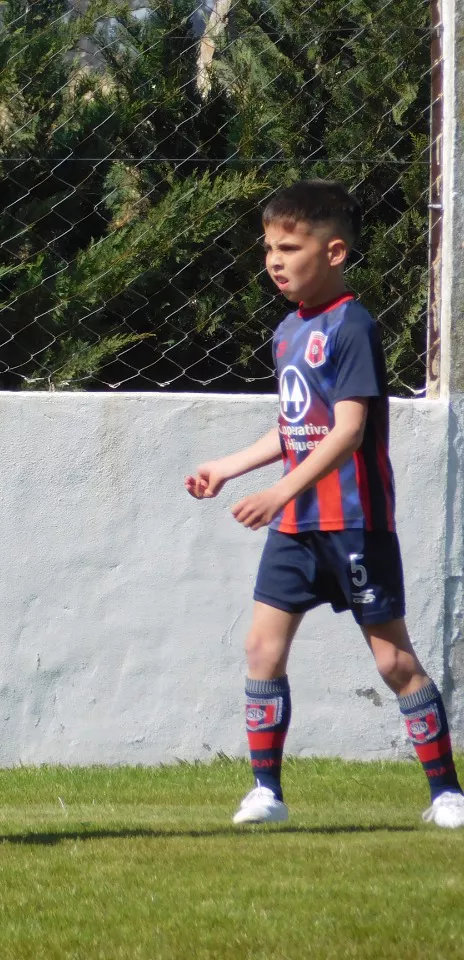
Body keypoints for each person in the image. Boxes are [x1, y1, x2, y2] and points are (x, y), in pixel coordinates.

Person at [184, 180, 464, 828]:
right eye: (268, 248)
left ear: (334, 252)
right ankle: (266, 791)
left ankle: (446, 792)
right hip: (295, 530)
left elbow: (347, 431)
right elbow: (295, 426)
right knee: (262, 649)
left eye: (289, 247)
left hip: (354, 524)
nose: (274, 261)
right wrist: (229, 467)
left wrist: (281, 488)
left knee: (393, 660)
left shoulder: (353, 327)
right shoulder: (287, 332)